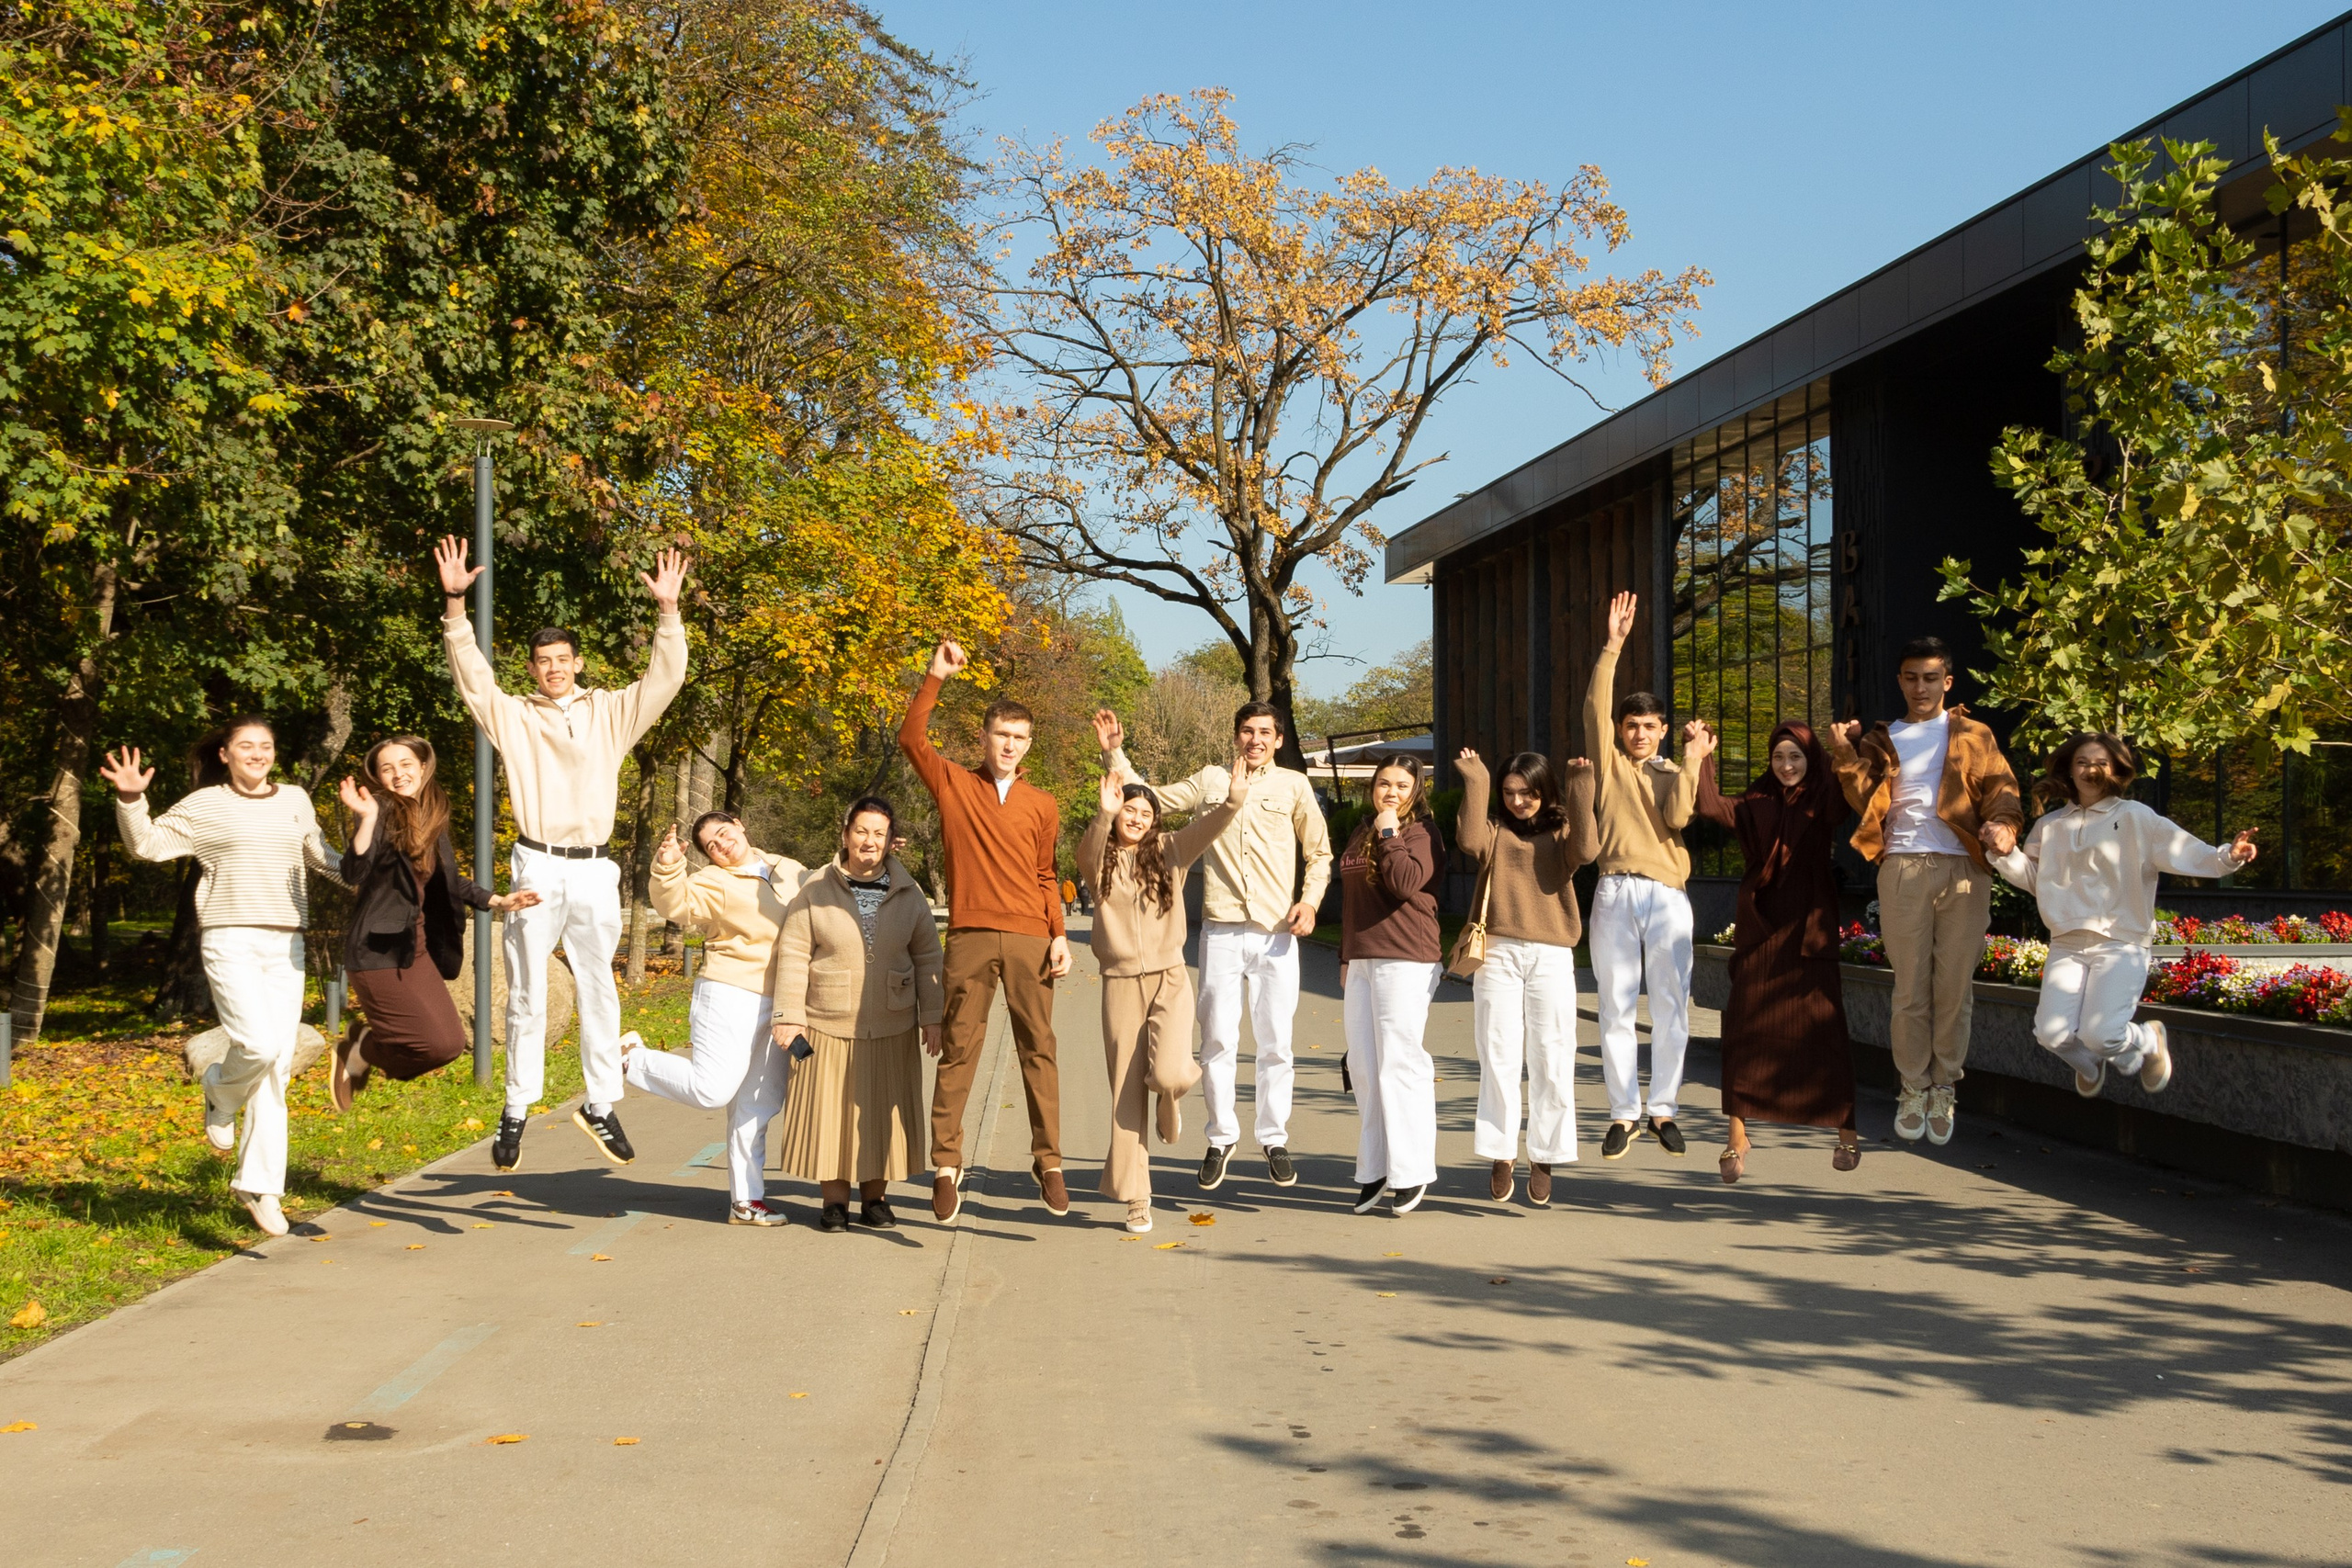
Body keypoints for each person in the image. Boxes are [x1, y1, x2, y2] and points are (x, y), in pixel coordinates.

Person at [434, 536, 689, 1172]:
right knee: (526, 990)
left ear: (578, 663)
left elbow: (667, 677)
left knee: (598, 983)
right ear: (533, 669)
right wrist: (455, 607)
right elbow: (473, 679)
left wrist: (668, 612)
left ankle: (602, 1101)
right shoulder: (515, 717)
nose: (553, 668)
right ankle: (517, 1106)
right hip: (538, 864)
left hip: (595, 866)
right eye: (543, 660)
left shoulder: (611, 712)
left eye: (562, 658)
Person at [100, 719, 341, 1237]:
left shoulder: (296, 799)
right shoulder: (205, 804)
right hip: (230, 938)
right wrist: (130, 799)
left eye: (266, 746)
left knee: (276, 1065)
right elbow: (145, 845)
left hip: (288, 942)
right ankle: (220, 1088)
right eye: (246, 746)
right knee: (254, 1045)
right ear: (226, 754)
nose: (257, 754)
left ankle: (261, 1187)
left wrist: (372, 868)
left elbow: (324, 860)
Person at [1093, 702, 1333, 1191]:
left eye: (1265, 732)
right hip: (1221, 929)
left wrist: (1309, 902)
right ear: (1236, 735)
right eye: (1247, 731)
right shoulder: (1209, 780)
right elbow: (1150, 799)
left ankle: (1274, 1138)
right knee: (1217, 1039)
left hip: (1275, 933)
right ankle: (1221, 1136)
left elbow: (1320, 852)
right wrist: (1116, 756)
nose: (1255, 740)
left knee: (1276, 1043)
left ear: (1279, 739)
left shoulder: (1293, 786)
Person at [1824, 636, 2024, 1147]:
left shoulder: (1975, 734)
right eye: (1911, 677)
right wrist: (1845, 752)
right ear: (1900, 681)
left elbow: (2003, 790)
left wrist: (2003, 826)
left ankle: (1944, 1086)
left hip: (1964, 870)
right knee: (1910, 987)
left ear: (1947, 682)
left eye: (1931, 678)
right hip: (1903, 868)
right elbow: (1859, 796)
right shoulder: (1884, 737)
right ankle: (1913, 1085)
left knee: (1954, 986)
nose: (1920, 687)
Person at [899, 639, 1070, 1223]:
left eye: (1020, 739)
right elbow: (911, 741)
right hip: (970, 935)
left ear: (1028, 745)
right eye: (1002, 735)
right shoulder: (953, 785)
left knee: (1038, 1050)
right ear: (985, 737)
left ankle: (1048, 1160)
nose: (1009, 745)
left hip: (1030, 939)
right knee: (958, 1051)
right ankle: (946, 1164)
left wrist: (1060, 935)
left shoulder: (1042, 804)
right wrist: (934, 678)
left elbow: (1047, 875)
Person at [1987, 733, 2256, 1099]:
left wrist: (2228, 856)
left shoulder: (2135, 817)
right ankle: (2093, 1063)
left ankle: (2146, 1038)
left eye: (2100, 762)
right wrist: (2003, 855)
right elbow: (2036, 880)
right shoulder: (2049, 826)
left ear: (2116, 769)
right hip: (2066, 943)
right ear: (2069, 769)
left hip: (2121, 942)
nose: (2089, 769)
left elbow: (2187, 852)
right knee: (2051, 1035)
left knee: (2102, 1034)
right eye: (2081, 762)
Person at [1078, 754, 1252, 1233]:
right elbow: (1086, 856)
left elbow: (1210, 826)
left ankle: (1169, 1092)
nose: (1137, 819)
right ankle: (1138, 1197)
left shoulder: (1171, 852)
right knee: (1124, 1093)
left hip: (1169, 978)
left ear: (1156, 823)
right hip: (1119, 984)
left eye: (1146, 814)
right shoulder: (1102, 859)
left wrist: (1233, 803)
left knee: (1173, 1070)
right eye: (1130, 812)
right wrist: (1104, 815)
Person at [620, 812, 811, 1225]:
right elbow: (674, 902)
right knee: (712, 1090)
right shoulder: (714, 881)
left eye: (724, 834)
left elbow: (828, 897)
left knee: (758, 1105)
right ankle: (628, 1058)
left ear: (740, 826)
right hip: (730, 993)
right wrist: (668, 864)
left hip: (782, 1000)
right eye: (712, 846)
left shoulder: (789, 868)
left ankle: (746, 1201)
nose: (722, 845)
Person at [1691, 720, 1862, 1180]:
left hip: (1810, 927)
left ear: (1811, 759)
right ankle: (1736, 1137)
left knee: (1824, 1030)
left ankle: (1845, 1129)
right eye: (1778, 758)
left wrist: (1844, 748)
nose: (1786, 766)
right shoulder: (1757, 801)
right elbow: (1709, 805)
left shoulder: (1823, 796)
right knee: (1745, 1031)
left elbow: (1847, 796)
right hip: (1762, 928)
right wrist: (1702, 753)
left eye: (1796, 757)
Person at [332, 737, 539, 1108]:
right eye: (387, 769)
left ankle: (363, 1048)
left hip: (416, 945)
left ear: (423, 767)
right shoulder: (378, 810)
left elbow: (448, 880)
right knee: (430, 1045)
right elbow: (354, 870)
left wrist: (497, 900)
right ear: (378, 777)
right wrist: (365, 820)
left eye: (406, 764)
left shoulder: (432, 815)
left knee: (449, 1046)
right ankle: (362, 1049)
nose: (399, 774)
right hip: (377, 950)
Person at [770, 796, 945, 1232]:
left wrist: (933, 1016)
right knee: (832, 1115)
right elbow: (792, 953)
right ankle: (833, 1203)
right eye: (861, 831)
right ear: (846, 835)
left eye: (879, 833)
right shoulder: (815, 890)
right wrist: (788, 1015)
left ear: (890, 842)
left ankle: (876, 1200)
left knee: (883, 1111)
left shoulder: (909, 892)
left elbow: (927, 956)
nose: (869, 841)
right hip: (826, 1022)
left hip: (893, 1020)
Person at [1585, 591, 1702, 1161]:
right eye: (1632, 725)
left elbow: (1680, 816)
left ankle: (1663, 1109)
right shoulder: (1608, 767)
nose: (1640, 734)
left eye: (1650, 726)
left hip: (1669, 896)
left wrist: (1696, 759)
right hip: (1615, 888)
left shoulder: (1675, 771)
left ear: (1662, 730)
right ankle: (1624, 1111)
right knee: (1617, 1004)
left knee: (1674, 1004)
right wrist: (1613, 646)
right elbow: (1593, 708)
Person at [1452, 748, 1597, 1206]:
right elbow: (1468, 840)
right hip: (1497, 950)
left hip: (1552, 952)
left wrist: (1580, 787)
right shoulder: (1495, 832)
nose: (1518, 801)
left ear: (1544, 791)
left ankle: (1545, 1154)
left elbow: (1588, 851)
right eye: (1510, 793)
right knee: (1498, 1053)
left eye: (1528, 793)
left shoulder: (1561, 832)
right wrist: (1476, 780)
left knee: (1554, 1056)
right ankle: (1500, 1151)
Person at [1338, 756, 1445, 1216]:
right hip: (1362, 960)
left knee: (1400, 1066)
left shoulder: (1421, 834)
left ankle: (1413, 1170)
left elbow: (1404, 883)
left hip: (1406, 957)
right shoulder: (1362, 830)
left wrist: (1390, 831)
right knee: (1363, 1066)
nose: (1392, 792)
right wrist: (1346, 956)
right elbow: (1352, 900)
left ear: (1416, 790)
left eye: (1402, 785)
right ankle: (1377, 1167)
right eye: (1384, 784)